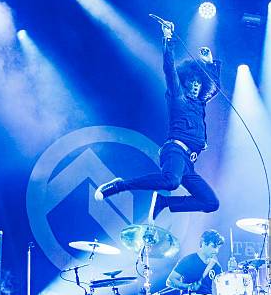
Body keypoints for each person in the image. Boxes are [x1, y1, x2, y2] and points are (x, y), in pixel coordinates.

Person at [94, 19, 221, 219]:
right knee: (171, 181)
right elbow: (169, 69)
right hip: (175, 150)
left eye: (198, 82)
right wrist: (168, 38)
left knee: (210, 202)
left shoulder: (200, 103)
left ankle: (165, 202)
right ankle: (120, 185)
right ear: (185, 81)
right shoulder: (177, 95)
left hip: (188, 161)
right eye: (192, 81)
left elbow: (214, 88)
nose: (196, 85)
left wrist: (209, 63)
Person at [166, 229, 224, 295]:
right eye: (213, 246)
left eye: (218, 248)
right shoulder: (188, 261)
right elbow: (170, 281)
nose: (216, 251)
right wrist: (188, 286)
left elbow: (222, 288)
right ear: (203, 243)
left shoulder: (216, 266)